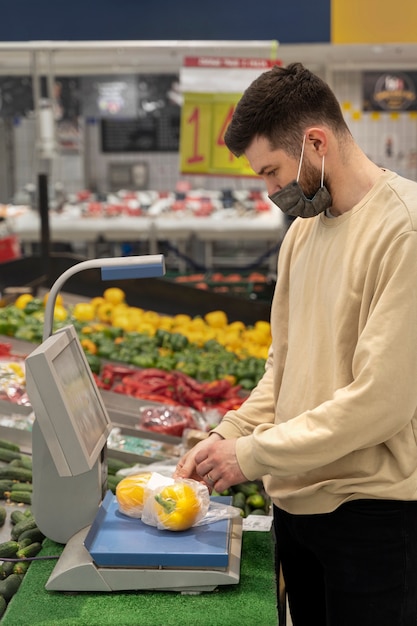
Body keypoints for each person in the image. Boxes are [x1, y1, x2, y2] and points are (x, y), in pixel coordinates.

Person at [174, 62, 417, 626]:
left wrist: (252, 456)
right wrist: (229, 433)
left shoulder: (402, 231)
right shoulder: (304, 233)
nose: (269, 192)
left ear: (316, 142)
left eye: (272, 171)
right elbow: (282, 366)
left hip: (371, 518)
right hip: (296, 509)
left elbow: (381, 403)